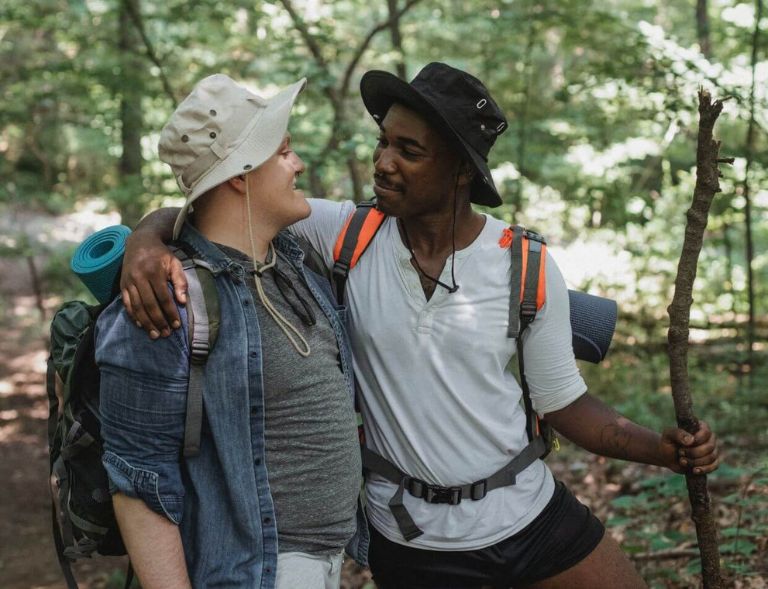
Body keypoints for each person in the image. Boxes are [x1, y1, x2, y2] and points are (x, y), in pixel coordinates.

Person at [119, 63, 719, 589]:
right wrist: (145, 240)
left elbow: (566, 404)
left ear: (461, 171)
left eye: (409, 151)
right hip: (410, 534)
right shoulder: (343, 234)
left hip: (529, 514)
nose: (383, 163)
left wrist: (661, 450)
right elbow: (220, 202)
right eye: (382, 142)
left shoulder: (526, 264)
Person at [95, 73, 368, 589]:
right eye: (283, 153)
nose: (299, 164)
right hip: (255, 570)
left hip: (326, 563)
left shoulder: (291, 259)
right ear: (241, 174)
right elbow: (138, 484)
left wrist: (147, 232)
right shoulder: (168, 301)